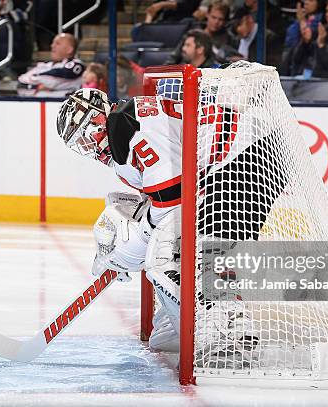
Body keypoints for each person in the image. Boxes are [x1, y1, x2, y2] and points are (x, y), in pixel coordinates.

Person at [55, 61, 288, 353]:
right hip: (235, 160)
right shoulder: (121, 137)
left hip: (248, 153)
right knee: (175, 247)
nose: (87, 146)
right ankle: (179, 321)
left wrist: (131, 247)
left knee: (190, 251)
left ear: (99, 119)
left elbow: (173, 200)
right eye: (79, 143)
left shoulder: (127, 126)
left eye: (86, 134)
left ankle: (233, 334)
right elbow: (164, 199)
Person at [17, 33, 85, 97]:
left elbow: (53, 82)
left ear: (69, 50)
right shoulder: (44, 65)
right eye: (53, 43)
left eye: (57, 43)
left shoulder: (76, 65)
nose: (52, 46)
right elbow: (21, 84)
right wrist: (38, 86)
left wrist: (35, 80)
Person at [166, 2, 231, 64]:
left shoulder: (229, 39)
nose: (216, 22)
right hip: (185, 70)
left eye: (220, 19)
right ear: (207, 15)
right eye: (213, 17)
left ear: (225, 21)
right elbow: (174, 58)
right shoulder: (192, 33)